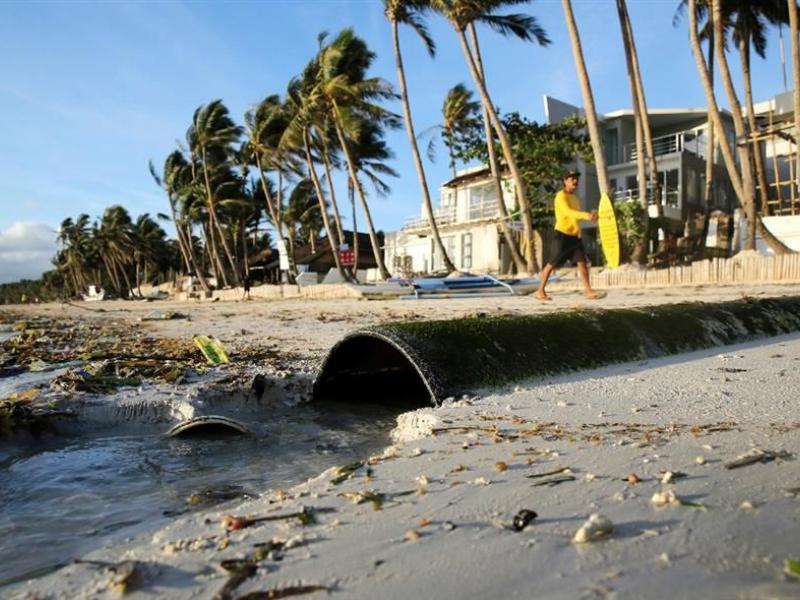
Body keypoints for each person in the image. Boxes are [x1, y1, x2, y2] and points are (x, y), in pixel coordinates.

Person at [535, 170, 606, 301]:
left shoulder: (575, 199)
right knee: (551, 264)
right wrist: (586, 215)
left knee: (582, 263)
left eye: (576, 178)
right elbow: (568, 212)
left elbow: (575, 218)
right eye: (571, 178)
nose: (575, 181)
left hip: (574, 237)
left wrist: (591, 218)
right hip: (562, 235)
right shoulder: (560, 196)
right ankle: (540, 291)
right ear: (565, 181)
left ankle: (589, 291)